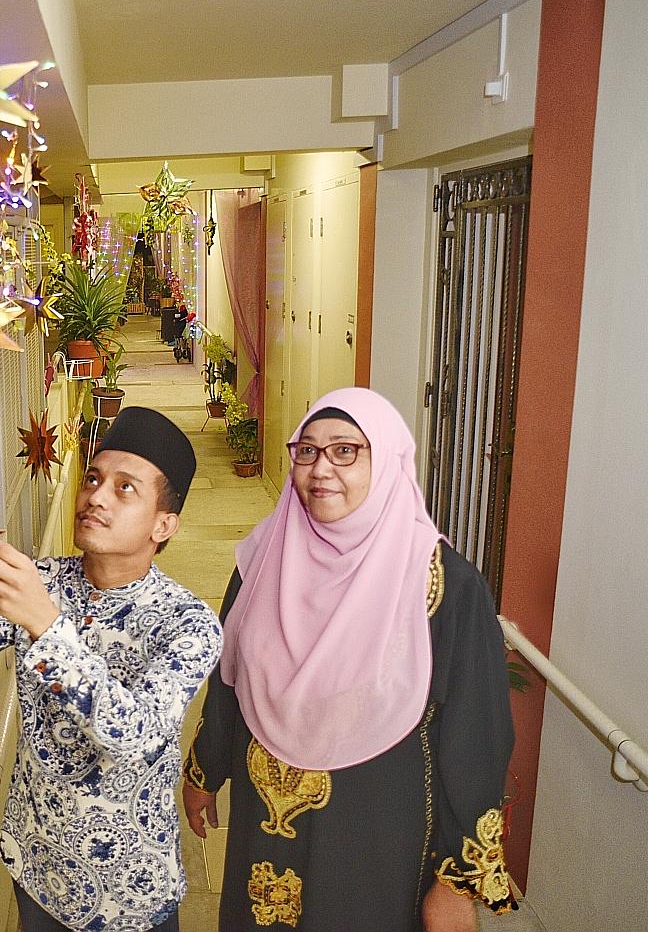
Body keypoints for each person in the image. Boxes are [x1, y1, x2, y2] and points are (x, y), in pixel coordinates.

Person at [183, 388, 517, 931]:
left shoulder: (443, 587)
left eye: (345, 451)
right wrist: (205, 768)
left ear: (386, 461)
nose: (321, 469)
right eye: (307, 451)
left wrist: (456, 883)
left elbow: (474, 737)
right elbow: (232, 679)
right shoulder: (264, 559)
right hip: (263, 831)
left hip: (375, 836)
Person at [0, 407, 222, 932]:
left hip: (127, 893)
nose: (95, 496)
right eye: (93, 478)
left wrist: (45, 626)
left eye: (125, 489)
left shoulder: (188, 625)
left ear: (165, 525)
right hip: (38, 871)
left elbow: (132, 735)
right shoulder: (42, 580)